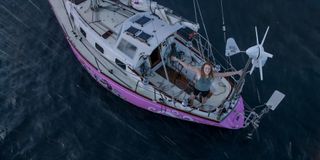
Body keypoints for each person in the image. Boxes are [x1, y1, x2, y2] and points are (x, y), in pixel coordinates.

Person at [171, 56, 242, 107]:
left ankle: (202, 103)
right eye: (206, 68)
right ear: (203, 68)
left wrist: (237, 72)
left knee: (203, 101)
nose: (207, 70)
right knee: (192, 97)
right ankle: (191, 104)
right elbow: (187, 66)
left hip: (206, 90)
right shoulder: (198, 71)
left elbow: (225, 74)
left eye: (209, 69)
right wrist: (177, 59)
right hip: (197, 88)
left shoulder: (213, 74)